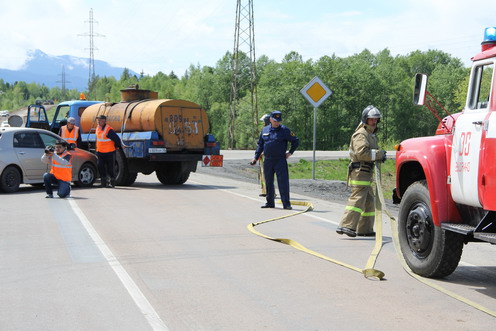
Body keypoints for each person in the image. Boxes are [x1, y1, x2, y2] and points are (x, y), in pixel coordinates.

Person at [336, 105, 387, 238]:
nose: (374, 122)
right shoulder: (361, 134)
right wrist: (379, 154)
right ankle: (346, 226)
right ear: (365, 119)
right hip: (360, 171)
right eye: (371, 119)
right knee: (358, 198)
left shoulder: (370, 134)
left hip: (366, 171)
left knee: (369, 200)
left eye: (376, 119)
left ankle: (364, 228)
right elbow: (362, 153)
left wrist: (378, 155)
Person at [250, 110, 299, 210]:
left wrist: (290, 152)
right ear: (271, 119)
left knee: (283, 182)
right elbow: (260, 145)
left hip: (280, 160)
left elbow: (295, 141)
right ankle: (270, 202)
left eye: (278, 121)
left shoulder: (285, 130)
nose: (277, 123)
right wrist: (255, 157)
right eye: (275, 121)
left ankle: (286, 204)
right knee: (268, 182)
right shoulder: (265, 130)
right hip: (268, 160)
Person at [95, 114, 122, 188]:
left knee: (110, 168)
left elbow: (117, 139)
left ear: (103, 121)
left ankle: (112, 183)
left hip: (109, 152)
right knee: (100, 167)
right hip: (100, 152)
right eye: (98, 120)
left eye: (100, 120)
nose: (98, 121)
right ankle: (103, 183)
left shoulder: (109, 130)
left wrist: (117, 147)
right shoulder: (98, 128)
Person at [258, 113, 271, 197]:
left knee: (267, 174)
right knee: (262, 173)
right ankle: (264, 191)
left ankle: (270, 192)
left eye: (264, 121)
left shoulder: (269, 130)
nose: (263, 123)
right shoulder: (265, 129)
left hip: (267, 156)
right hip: (263, 155)